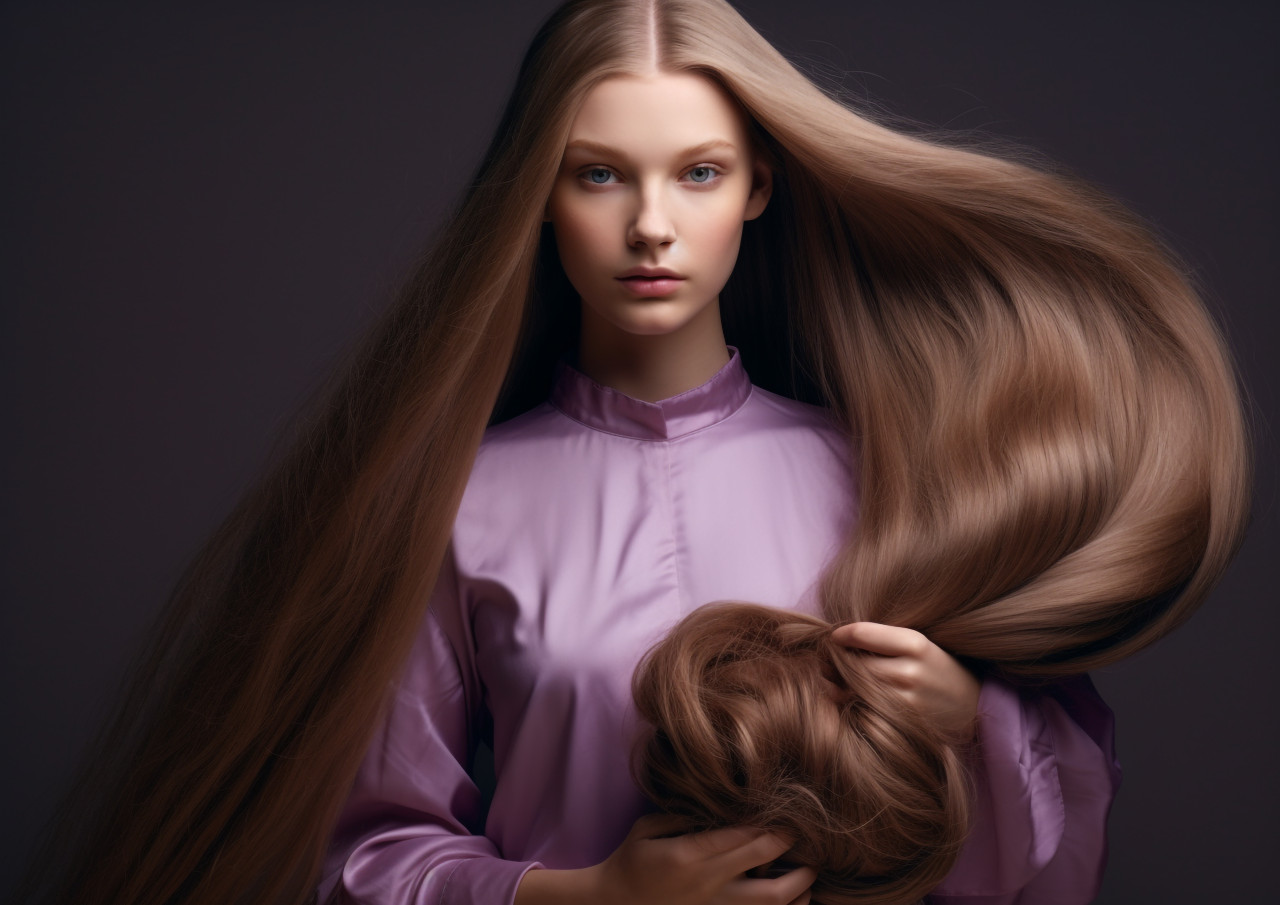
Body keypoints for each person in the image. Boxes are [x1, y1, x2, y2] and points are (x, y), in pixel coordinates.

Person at [17, 2, 1248, 904]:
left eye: (697, 172)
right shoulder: (458, 508)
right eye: (599, 174)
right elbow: (360, 855)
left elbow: (1049, 859)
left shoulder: (893, 477)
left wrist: (967, 713)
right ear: (538, 199)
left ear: (758, 186)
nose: (650, 224)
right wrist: (590, 896)